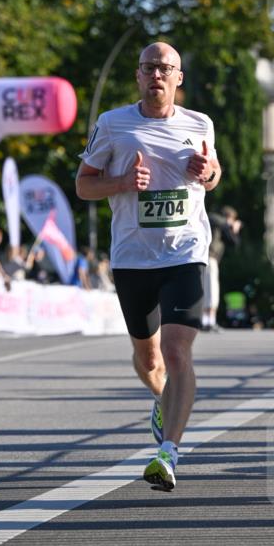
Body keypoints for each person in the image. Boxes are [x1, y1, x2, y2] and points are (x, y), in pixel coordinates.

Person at [76, 41, 221, 491]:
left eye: (165, 68)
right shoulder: (113, 124)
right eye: (148, 68)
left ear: (179, 78)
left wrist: (207, 170)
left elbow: (213, 176)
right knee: (149, 356)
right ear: (138, 76)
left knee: (177, 352)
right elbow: (84, 186)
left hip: (186, 252)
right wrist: (121, 182)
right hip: (134, 258)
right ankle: (164, 399)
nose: (156, 75)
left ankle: (168, 454)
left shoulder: (200, 123)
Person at [203, 206, 242, 331]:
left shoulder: (210, 219)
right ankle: (209, 322)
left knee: (204, 290)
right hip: (210, 258)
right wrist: (234, 229)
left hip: (201, 258)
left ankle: (205, 321)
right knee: (212, 291)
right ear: (229, 217)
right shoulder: (222, 222)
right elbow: (233, 242)